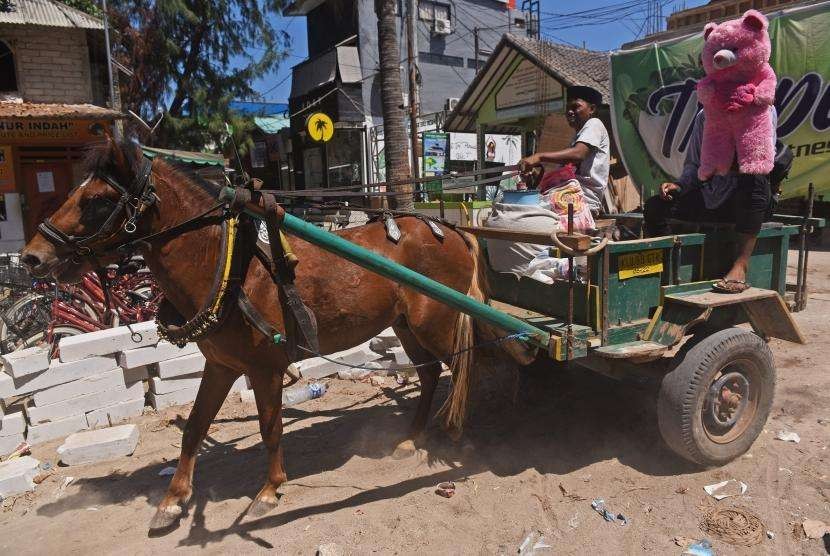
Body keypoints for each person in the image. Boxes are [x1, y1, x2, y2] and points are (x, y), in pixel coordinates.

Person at [643, 107, 777, 293]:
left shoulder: (762, 111)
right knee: (655, 206)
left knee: (755, 179)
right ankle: (665, 266)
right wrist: (680, 186)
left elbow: (762, 159)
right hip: (711, 197)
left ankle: (741, 266)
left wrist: (729, 162)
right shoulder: (705, 115)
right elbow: (694, 165)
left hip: (747, 204)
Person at [519, 85, 610, 214]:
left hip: (581, 202)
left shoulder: (594, 124)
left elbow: (579, 154)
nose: (569, 112)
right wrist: (535, 177)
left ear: (592, 109)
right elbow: (567, 172)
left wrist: (539, 157)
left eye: (575, 107)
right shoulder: (578, 137)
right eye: (567, 108)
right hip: (569, 198)